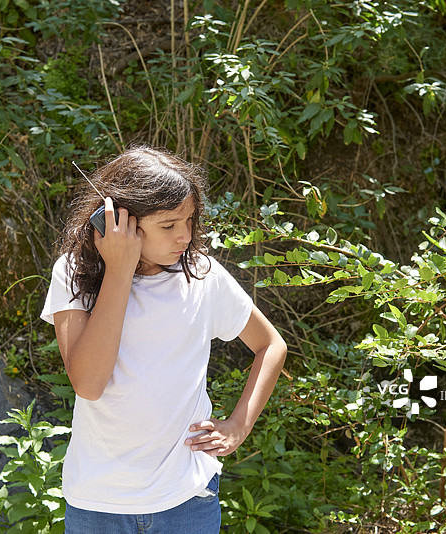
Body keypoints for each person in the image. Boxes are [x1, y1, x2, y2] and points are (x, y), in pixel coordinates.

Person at [40, 146, 287, 534]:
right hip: (97, 505)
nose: (185, 237)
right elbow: (88, 384)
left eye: (189, 220)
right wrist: (120, 269)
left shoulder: (202, 276)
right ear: (119, 221)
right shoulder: (73, 273)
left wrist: (240, 424)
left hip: (186, 501)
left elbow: (271, 345)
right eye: (168, 226)